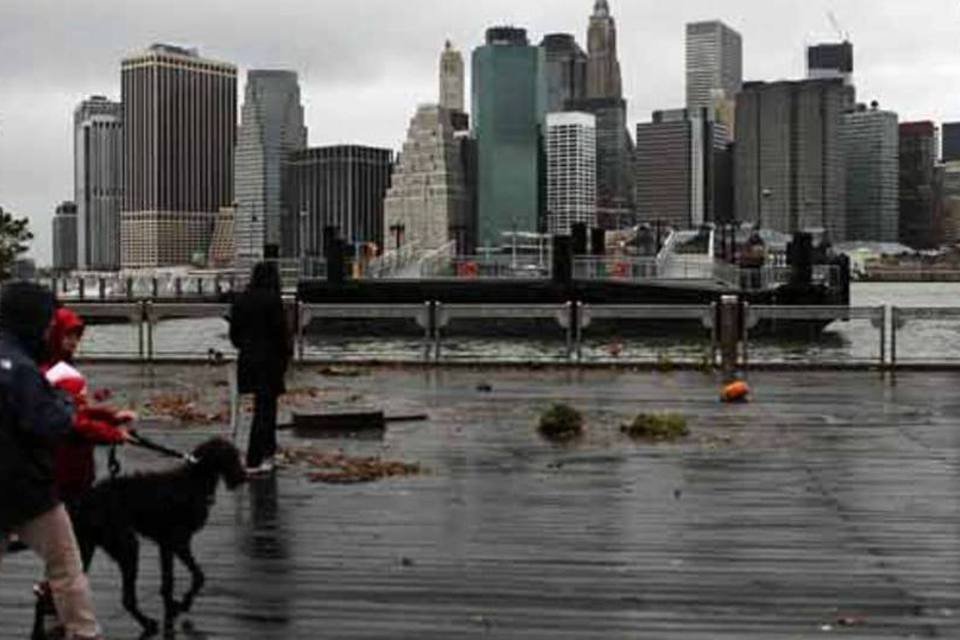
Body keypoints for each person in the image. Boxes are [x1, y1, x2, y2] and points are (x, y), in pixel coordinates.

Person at [0, 282, 104, 640]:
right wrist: (64, 400)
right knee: (66, 568)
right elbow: (50, 422)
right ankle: (83, 632)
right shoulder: (23, 369)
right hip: (28, 488)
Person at [43, 308, 135, 506]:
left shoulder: (57, 368)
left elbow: (76, 410)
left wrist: (111, 416)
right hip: (64, 467)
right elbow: (73, 421)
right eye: (68, 335)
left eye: (77, 336)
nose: (74, 342)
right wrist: (113, 434)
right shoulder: (59, 373)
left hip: (69, 467)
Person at [230, 262, 291, 474]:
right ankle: (256, 458)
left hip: (247, 360)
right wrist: (286, 358)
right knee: (266, 411)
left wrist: (247, 347)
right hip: (270, 361)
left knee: (260, 408)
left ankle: (267, 452)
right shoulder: (273, 300)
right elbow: (281, 333)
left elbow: (234, 336)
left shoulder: (241, 299)